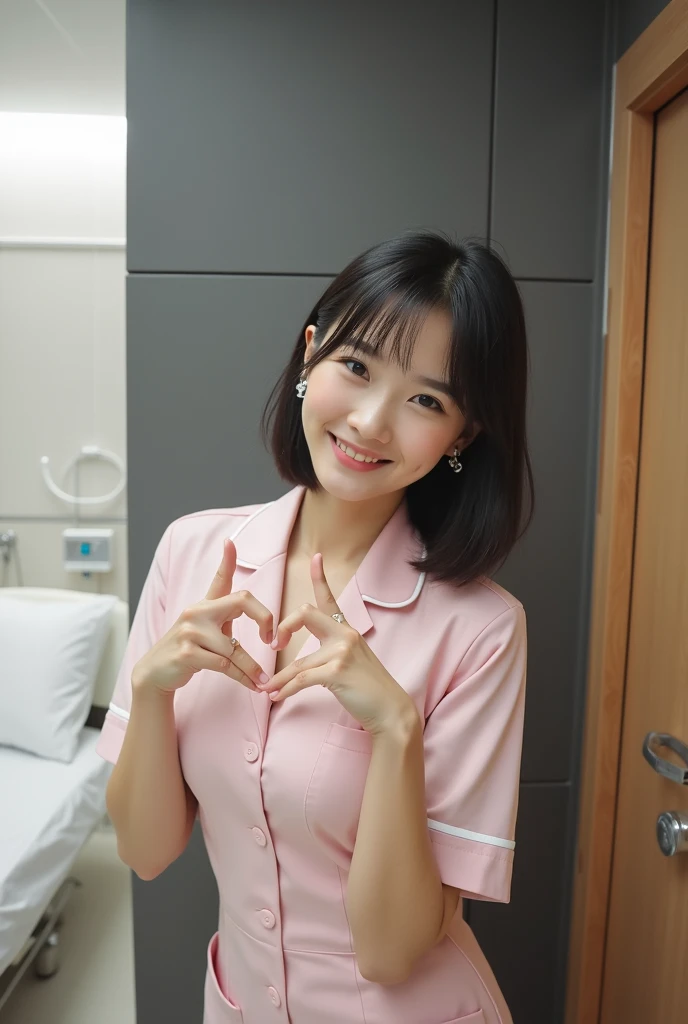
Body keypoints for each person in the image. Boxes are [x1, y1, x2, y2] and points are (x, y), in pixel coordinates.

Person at [96, 230, 534, 1024]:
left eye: (426, 400)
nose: (370, 422)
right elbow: (145, 852)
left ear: (462, 436)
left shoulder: (482, 630)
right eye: (357, 367)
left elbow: (393, 950)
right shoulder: (195, 552)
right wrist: (152, 691)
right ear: (310, 355)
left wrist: (396, 727)